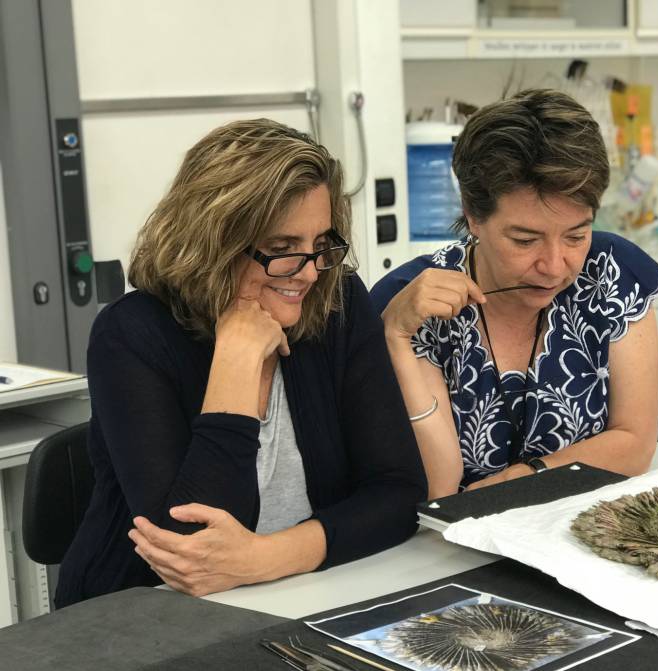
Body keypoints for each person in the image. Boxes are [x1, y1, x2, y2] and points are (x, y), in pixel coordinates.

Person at [55, 119, 426, 606]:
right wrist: (236, 360)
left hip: (299, 594)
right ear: (212, 244)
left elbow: (399, 493)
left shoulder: (338, 303)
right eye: (281, 250)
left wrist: (264, 558)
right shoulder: (131, 334)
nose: (310, 271)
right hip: (137, 613)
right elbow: (189, 548)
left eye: (320, 245)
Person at [371, 89, 658, 499]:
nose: (554, 265)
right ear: (473, 215)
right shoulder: (414, 306)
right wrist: (395, 338)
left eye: (576, 235)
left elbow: (634, 443)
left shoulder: (612, 272)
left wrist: (519, 480)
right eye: (525, 240)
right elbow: (438, 490)